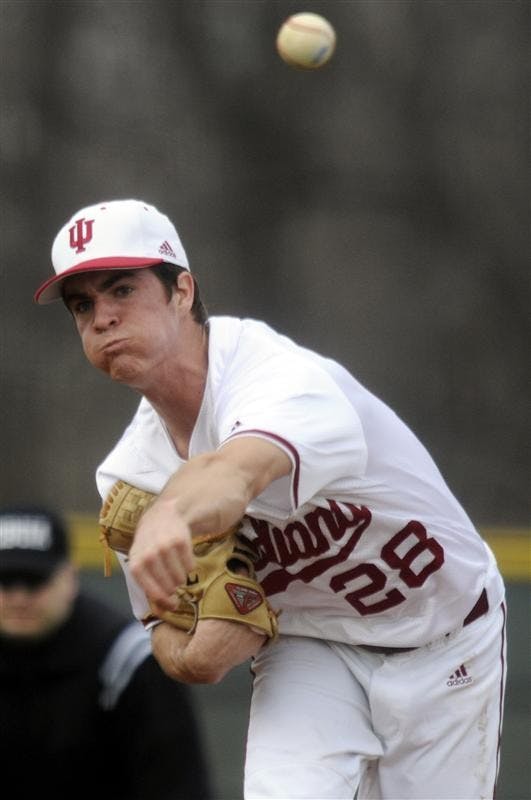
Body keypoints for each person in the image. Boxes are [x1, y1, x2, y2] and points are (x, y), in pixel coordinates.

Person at [34, 198, 507, 800]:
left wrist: (172, 513)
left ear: (182, 290)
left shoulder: (276, 375)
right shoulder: (130, 476)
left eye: (121, 290)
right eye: (83, 305)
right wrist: (201, 651)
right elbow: (171, 639)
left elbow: (239, 471)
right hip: (313, 648)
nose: (101, 317)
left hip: (445, 638)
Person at [0, 504, 213, 800]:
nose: (19, 598)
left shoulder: (124, 658)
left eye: (35, 581)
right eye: (6, 582)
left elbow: (179, 786)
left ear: (69, 577)